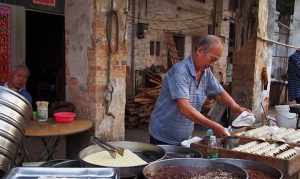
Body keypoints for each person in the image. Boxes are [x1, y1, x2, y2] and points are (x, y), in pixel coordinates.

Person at [149, 35, 249, 145]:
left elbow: (219, 93)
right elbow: (185, 108)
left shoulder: (205, 73)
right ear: (200, 51)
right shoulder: (180, 72)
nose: (212, 64)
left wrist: (236, 107)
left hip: (184, 136)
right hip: (163, 136)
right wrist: (214, 126)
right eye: (212, 59)